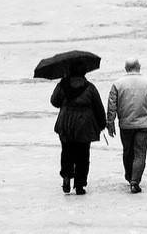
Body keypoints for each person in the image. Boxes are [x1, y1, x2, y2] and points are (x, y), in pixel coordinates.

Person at [106, 57, 147, 193]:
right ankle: (135, 181)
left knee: (127, 151)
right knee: (140, 153)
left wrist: (110, 123)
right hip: (144, 125)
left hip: (125, 125)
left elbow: (111, 106)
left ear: (126, 68)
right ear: (139, 67)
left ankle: (129, 176)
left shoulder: (117, 84)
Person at [50, 61, 106, 195]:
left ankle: (66, 177)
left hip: (65, 122)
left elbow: (54, 101)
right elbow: (98, 107)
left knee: (67, 151)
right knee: (83, 154)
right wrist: (102, 124)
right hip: (84, 124)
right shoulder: (90, 87)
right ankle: (80, 185)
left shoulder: (62, 85)